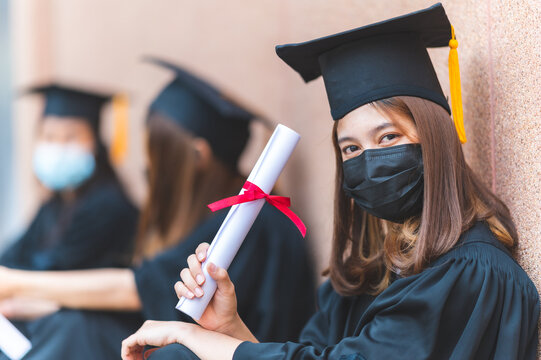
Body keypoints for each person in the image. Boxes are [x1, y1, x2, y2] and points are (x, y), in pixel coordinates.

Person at [120, 4, 540, 360]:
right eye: (351, 149)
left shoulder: (470, 273)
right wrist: (228, 328)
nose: (369, 160)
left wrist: (193, 337)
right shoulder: (367, 273)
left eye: (388, 137)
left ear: (434, 137)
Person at [0, 58, 315, 359]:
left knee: (78, 330)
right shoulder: (217, 214)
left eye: (156, 151)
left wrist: (16, 284)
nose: (148, 166)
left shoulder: (246, 223)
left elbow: (144, 289)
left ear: (197, 155)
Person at [0, 84, 139, 318]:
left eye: (71, 136)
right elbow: (13, 257)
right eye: (49, 136)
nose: (58, 147)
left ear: (94, 143)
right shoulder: (54, 204)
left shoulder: (108, 206)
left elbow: (58, 273)